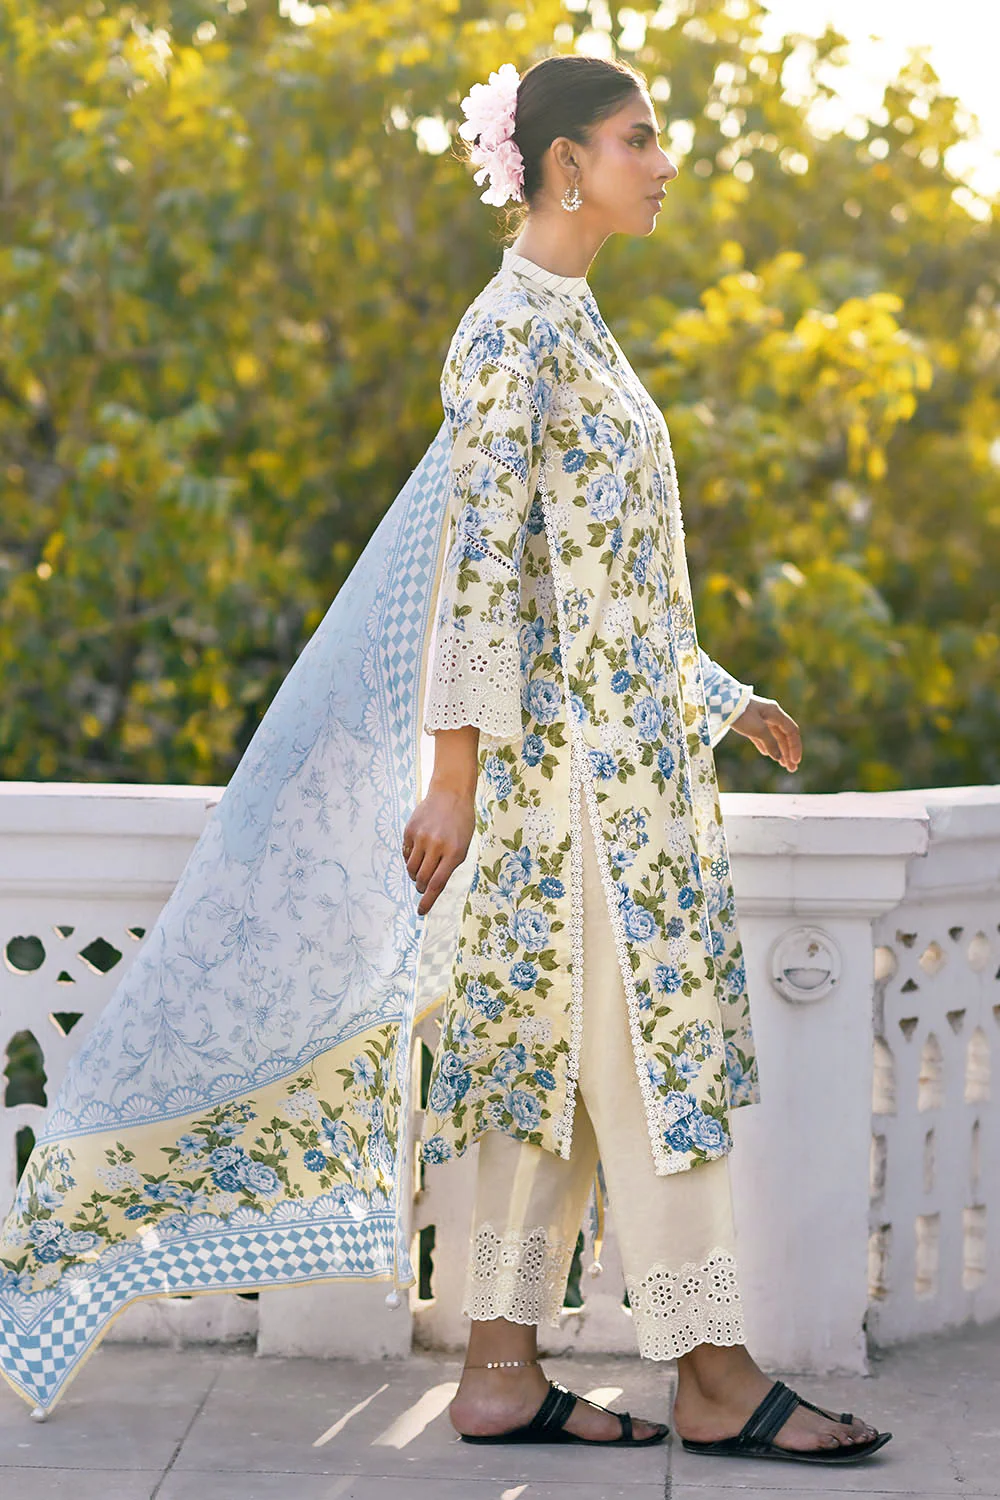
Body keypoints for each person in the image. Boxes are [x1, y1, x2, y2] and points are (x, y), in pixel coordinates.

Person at [402, 53, 891, 1464]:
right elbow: (479, 576)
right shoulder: (508, 336)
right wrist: (453, 777)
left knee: (543, 1070)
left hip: (624, 769)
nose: (663, 163)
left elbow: (609, 588)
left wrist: (720, 697)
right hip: (577, 798)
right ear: (565, 162)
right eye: (639, 138)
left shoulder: (577, 328)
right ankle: (717, 1378)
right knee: (651, 1060)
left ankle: (499, 1371)